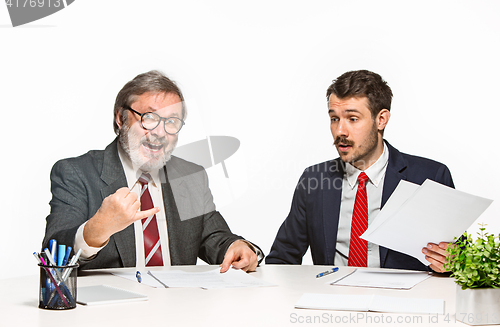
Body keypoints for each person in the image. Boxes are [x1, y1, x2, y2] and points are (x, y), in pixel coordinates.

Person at [43, 70, 262, 272]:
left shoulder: (190, 176)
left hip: (179, 308)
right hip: (110, 312)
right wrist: (95, 231)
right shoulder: (76, 173)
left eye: (172, 122)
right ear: (121, 118)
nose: (159, 132)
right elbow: (52, 254)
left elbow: (214, 237)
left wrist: (236, 246)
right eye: (149, 118)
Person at [266, 70, 452, 272]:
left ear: (381, 119)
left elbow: (461, 257)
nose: (340, 132)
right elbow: (282, 260)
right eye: (334, 119)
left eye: (352, 119)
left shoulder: (429, 177)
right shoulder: (314, 179)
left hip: (402, 300)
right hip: (332, 298)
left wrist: (451, 260)